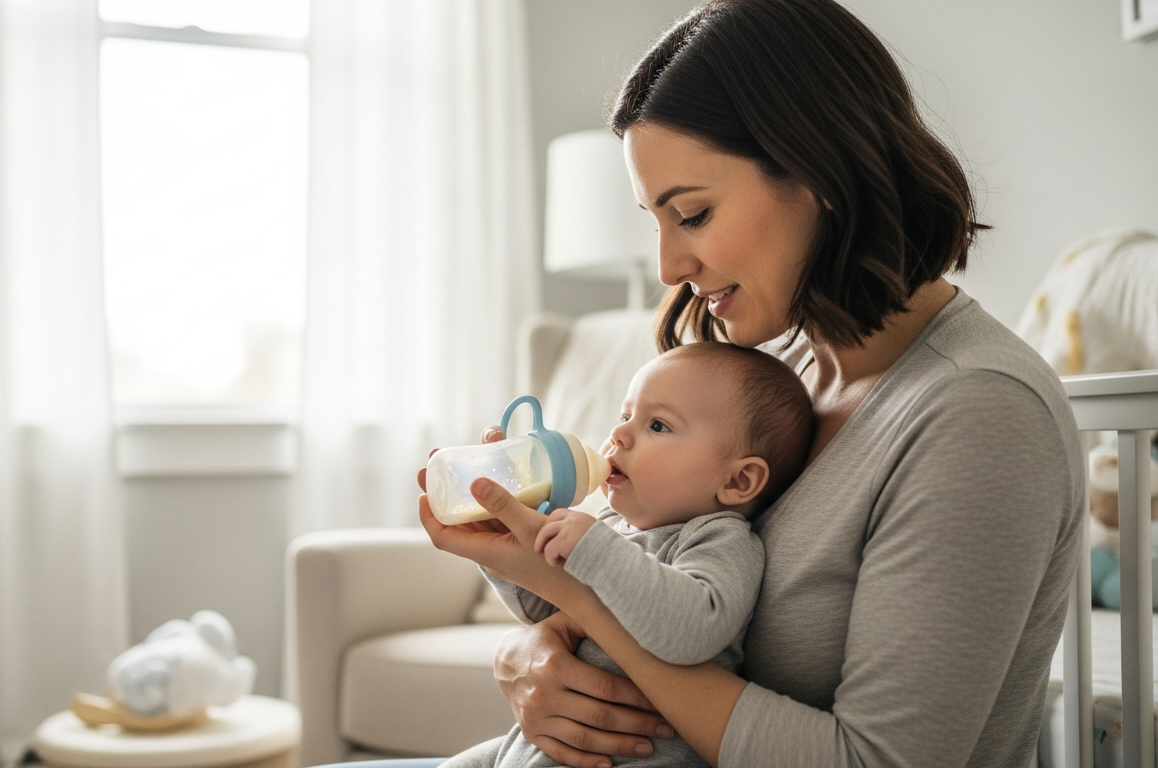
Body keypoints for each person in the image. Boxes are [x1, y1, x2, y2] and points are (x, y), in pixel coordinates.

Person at [324, 0, 1084, 766]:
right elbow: (631, 589)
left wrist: (586, 602)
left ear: (820, 170)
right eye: (655, 220)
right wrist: (530, 655)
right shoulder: (769, 378)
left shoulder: (979, 413)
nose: (668, 268)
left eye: (691, 213)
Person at [442, 342, 813, 768]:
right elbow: (542, 611)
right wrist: (501, 550)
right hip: (544, 744)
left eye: (657, 425)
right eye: (624, 416)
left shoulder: (717, 538)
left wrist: (597, 552)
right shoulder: (607, 525)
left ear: (738, 481)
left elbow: (697, 629)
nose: (618, 435)